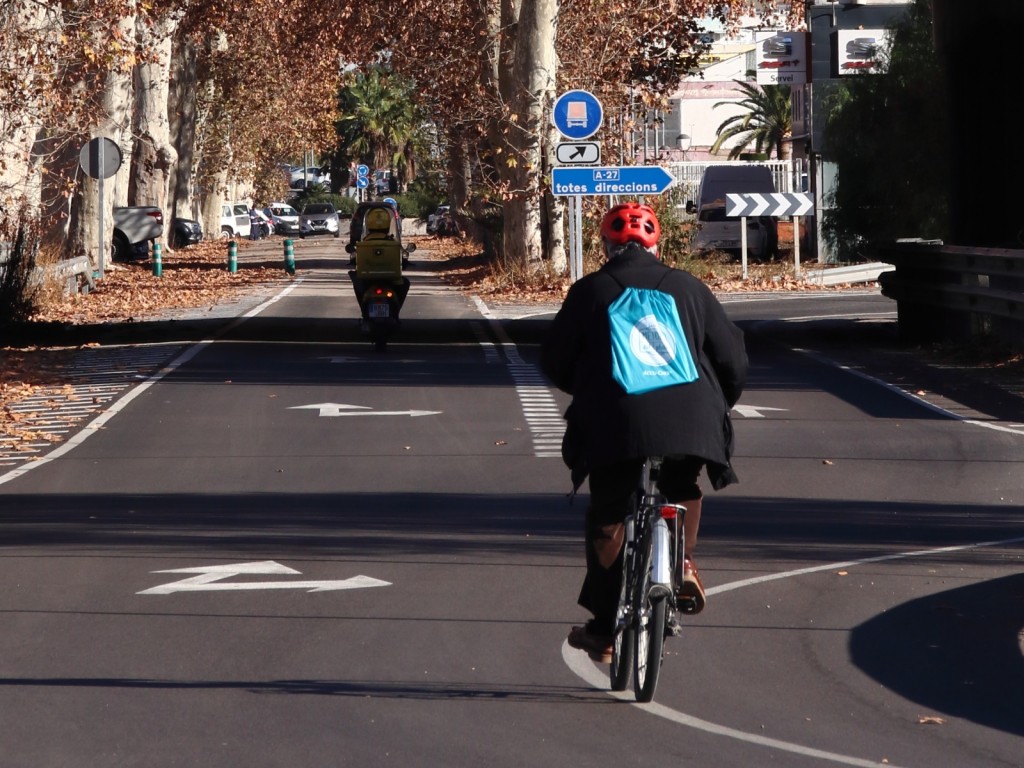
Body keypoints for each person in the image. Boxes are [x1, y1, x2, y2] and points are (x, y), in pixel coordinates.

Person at [540, 201, 747, 663]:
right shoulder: (690, 288)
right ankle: (683, 560)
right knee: (681, 483)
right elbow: (733, 359)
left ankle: (604, 629)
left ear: (605, 246)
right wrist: (716, 407)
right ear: (658, 244)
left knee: (610, 512)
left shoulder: (589, 291)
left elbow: (553, 359)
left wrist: (589, 386)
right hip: (691, 419)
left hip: (614, 422)